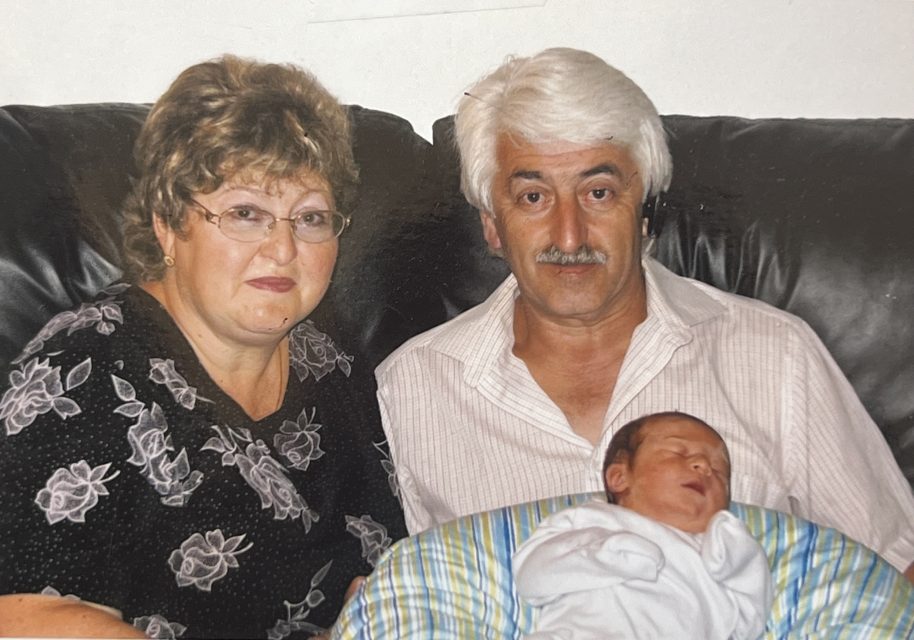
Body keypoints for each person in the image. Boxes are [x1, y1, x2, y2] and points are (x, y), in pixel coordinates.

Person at [375, 47, 914, 582]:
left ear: (645, 210)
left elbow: (898, 566)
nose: (570, 236)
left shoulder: (776, 354)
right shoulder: (415, 388)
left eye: (599, 192)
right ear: (492, 224)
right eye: (534, 197)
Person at [0, 55, 405, 638]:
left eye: (310, 218)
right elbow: (26, 618)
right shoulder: (79, 377)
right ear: (168, 225)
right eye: (246, 213)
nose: (283, 249)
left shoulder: (329, 357)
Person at [513, 412, 772, 639]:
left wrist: (741, 559)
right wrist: (604, 557)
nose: (704, 467)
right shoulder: (589, 520)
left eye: (719, 471)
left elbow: (749, 622)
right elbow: (532, 577)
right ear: (619, 477)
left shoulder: (716, 552)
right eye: (678, 452)